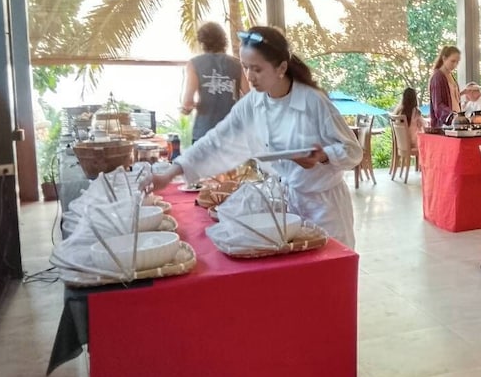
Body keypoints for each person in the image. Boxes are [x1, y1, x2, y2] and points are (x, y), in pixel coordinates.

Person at [153, 26, 363, 248]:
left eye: (257, 69)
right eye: (245, 68)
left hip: (325, 206)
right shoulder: (253, 103)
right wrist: (170, 174)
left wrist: (323, 156)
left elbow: (353, 151)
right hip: (288, 203)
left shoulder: (313, 101)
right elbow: (216, 139)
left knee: (328, 264)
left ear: (281, 68)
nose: (250, 77)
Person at [180, 22, 249, 143]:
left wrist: (187, 109)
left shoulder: (194, 64)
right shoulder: (237, 64)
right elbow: (250, 97)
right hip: (232, 132)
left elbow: (187, 101)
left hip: (204, 132)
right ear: (224, 40)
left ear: (202, 42)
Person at [428, 45, 461, 128]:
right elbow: (438, 105)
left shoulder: (451, 76)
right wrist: (452, 117)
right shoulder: (437, 77)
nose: (455, 65)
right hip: (444, 125)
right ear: (444, 59)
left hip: (455, 123)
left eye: (457, 62)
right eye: (452, 61)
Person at [393, 87, 424, 151]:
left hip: (401, 143)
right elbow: (423, 125)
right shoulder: (416, 112)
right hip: (413, 143)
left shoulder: (399, 111)